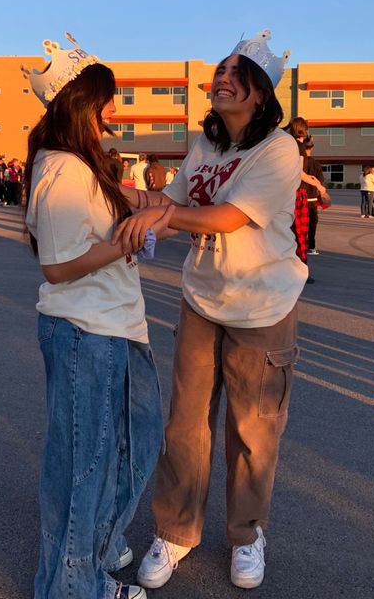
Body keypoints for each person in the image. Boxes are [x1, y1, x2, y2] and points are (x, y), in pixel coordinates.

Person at [113, 29, 308, 591]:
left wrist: (164, 218)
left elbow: (228, 217)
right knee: (185, 424)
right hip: (201, 298)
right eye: (219, 72)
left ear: (259, 92)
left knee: (254, 429)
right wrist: (116, 190)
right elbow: (170, 203)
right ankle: (174, 531)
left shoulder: (279, 150)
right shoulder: (206, 145)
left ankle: (247, 535)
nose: (221, 79)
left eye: (235, 73)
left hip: (264, 306)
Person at [22, 35, 167, 599]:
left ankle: (95, 553)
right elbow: (58, 268)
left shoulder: (86, 165)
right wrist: (130, 237)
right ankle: (73, 587)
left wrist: (157, 211)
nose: (117, 108)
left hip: (118, 327)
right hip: (85, 331)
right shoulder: (60, 168)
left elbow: (135, 204)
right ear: (80, 102)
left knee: (136, 445)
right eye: (108, 98)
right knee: (82, 470)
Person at [287, 117, 327, 283]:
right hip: (297, 194)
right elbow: (299, 172)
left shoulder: (284, 142)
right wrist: (319, 186)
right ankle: (302, 272)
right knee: (300, 235)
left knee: (286, 234)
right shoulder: (299, 146)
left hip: (283, 193)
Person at [304, 136, 326, 254]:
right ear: (312, 147)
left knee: (298, 224)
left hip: (297, 198)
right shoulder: (316, 164)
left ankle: (298, 246)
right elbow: (320, 181)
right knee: (312, 224)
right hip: (311, 199)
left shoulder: (297, 162)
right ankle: (311, 247)